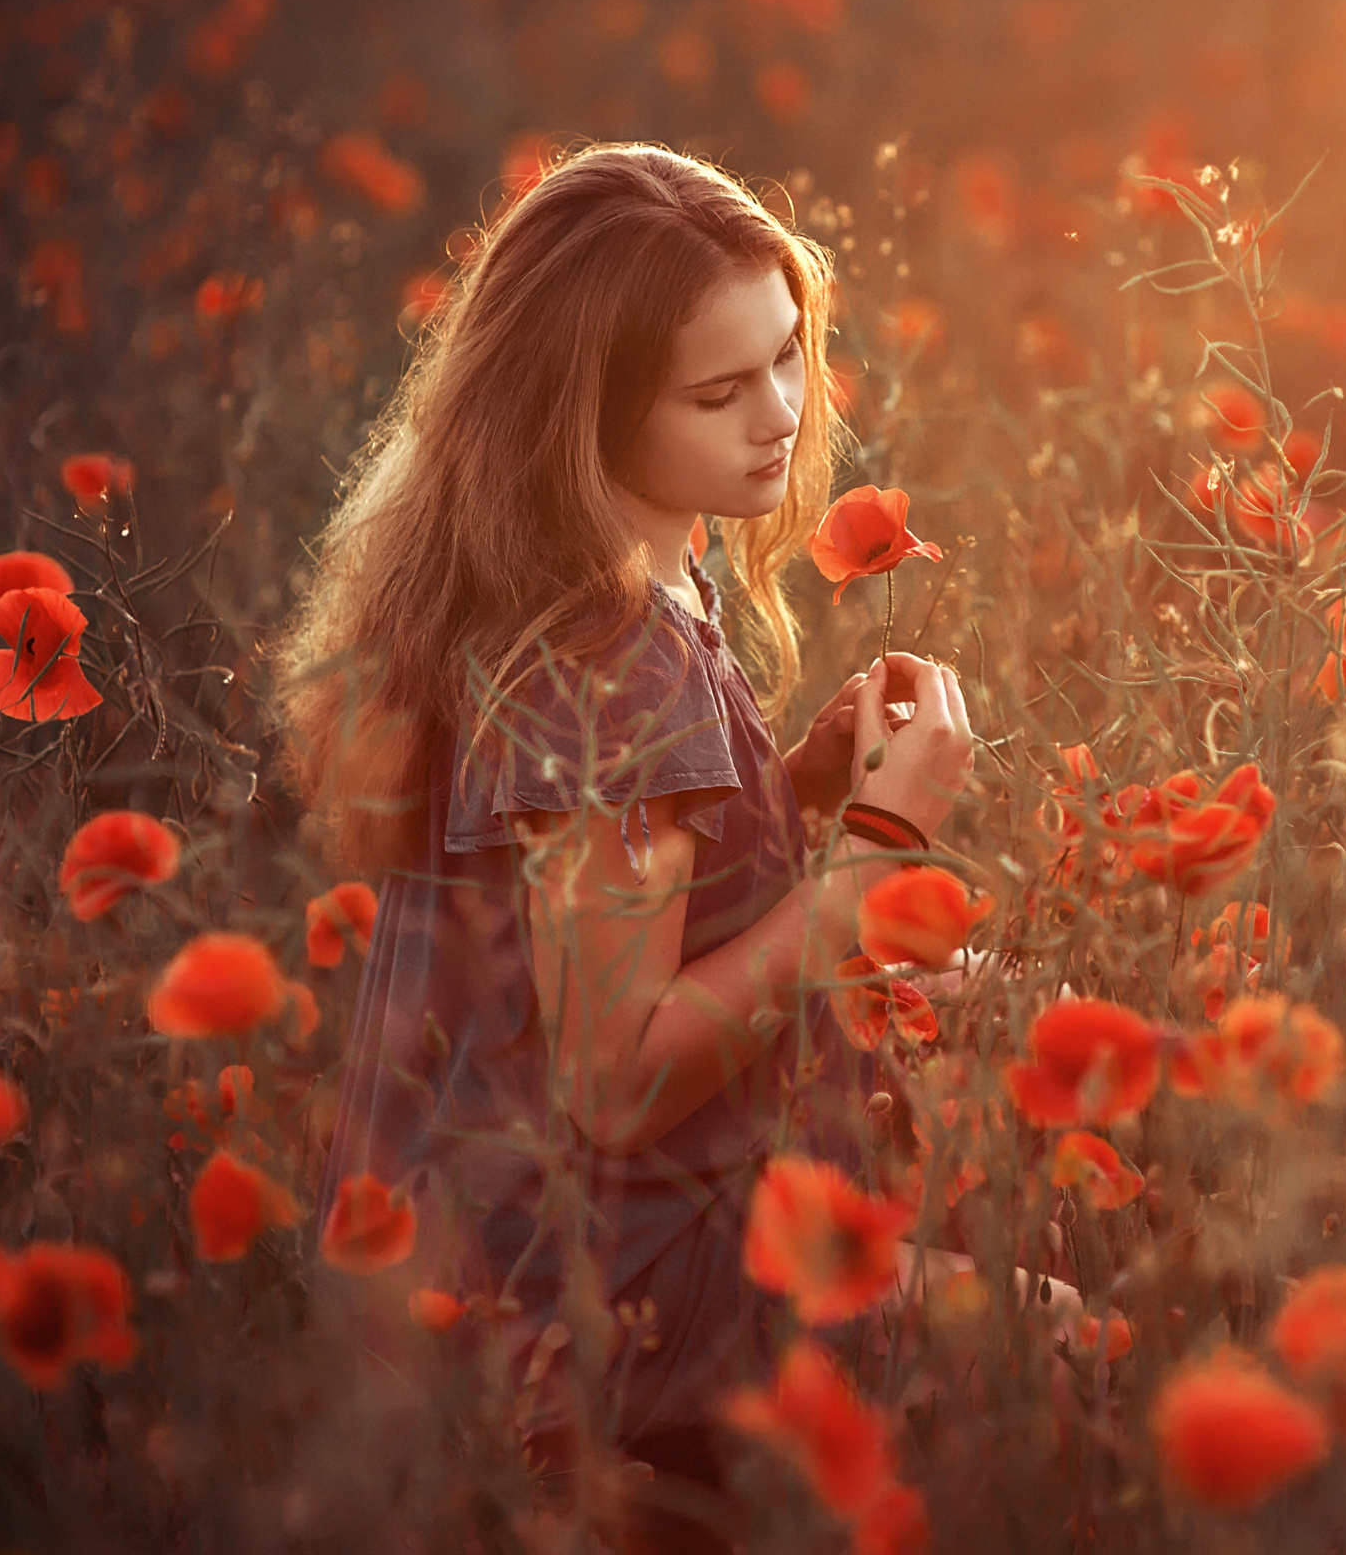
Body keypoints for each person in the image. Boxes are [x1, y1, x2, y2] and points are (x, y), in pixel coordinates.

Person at [269, 141, 976, 1552]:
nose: (779, 417)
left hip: (496, 1255)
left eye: (790, 357)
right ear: (574, 414)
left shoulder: (587, 579)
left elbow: (599, 909)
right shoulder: (607, 661)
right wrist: (876, 859)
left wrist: (793, 787)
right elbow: (607, 1068)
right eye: (720, 392)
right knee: (1051, 1358)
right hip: (587, 1313)